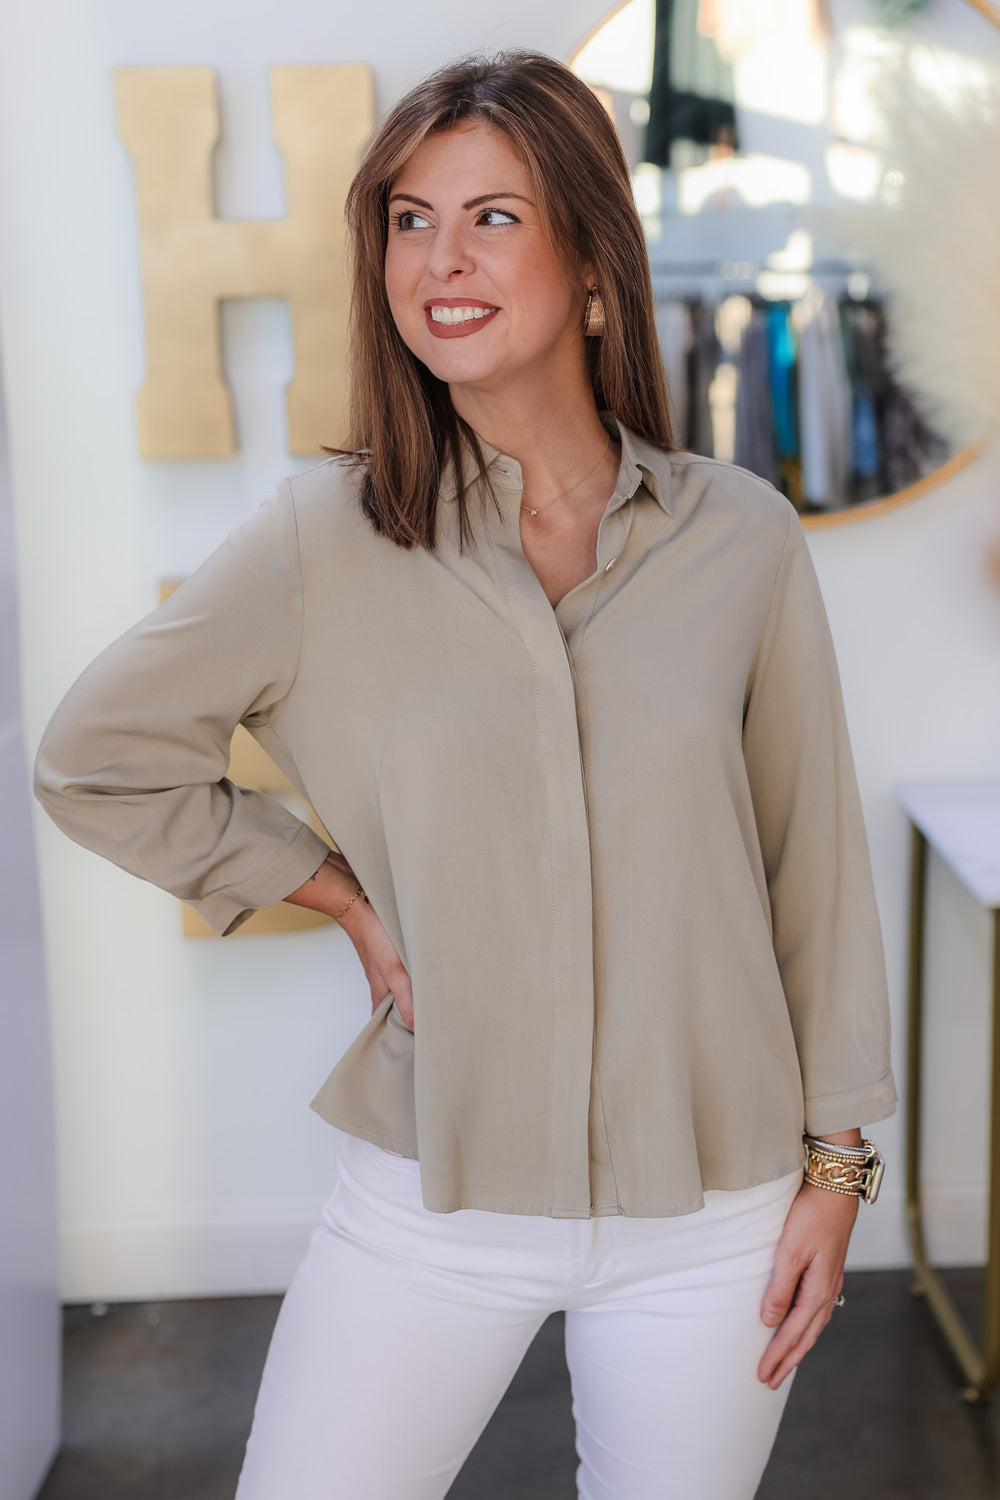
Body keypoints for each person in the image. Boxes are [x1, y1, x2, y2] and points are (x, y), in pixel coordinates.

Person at [33, 49, 897, 1500]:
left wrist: (837, 1173)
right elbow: (93, 759)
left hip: (718, 1212)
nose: (440, 259)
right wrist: (340, 895)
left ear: (595, 263)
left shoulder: (739, 537)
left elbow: (809, 864)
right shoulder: (323, 539)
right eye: (409, 218)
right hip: (434, 1194)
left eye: (493, 217)